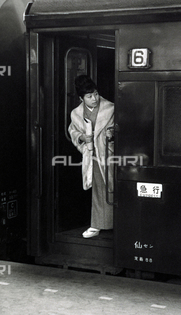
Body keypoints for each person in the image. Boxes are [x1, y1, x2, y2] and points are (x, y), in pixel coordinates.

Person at [68, 75, 114, 238]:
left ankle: (114, 223)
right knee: (99, 188)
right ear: (81, 98)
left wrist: (111, 134)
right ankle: (98, 224)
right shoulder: (76, 113)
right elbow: (72, 131)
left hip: (109, 154)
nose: (94, 98)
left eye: (95, 94)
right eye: (89, 96)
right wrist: (81, 137)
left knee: (112, 187)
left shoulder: (111, 108)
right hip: (92, 155)